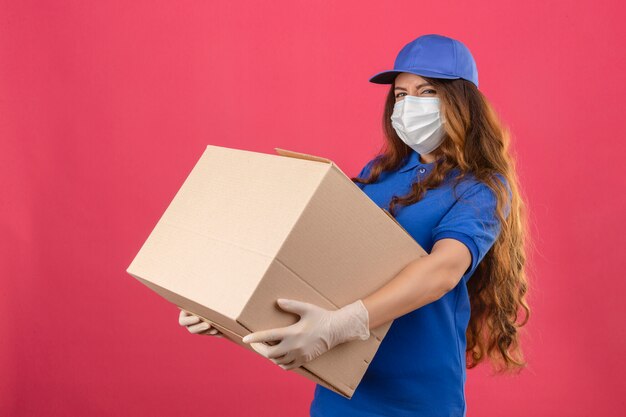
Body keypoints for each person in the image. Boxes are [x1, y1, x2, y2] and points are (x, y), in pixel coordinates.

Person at [181, 33, 531, 417]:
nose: (409, 104)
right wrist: (228, 304)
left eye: (427, 92)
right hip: (342, 381)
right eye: (401, 95)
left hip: (415, 396)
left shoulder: (481, 187)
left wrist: (338, 326)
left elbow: (443, 270)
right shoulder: (380, 174)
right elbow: (317, 254)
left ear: (462, 101)